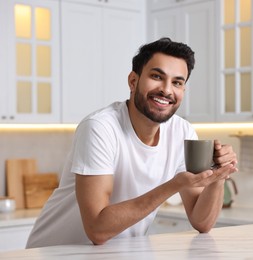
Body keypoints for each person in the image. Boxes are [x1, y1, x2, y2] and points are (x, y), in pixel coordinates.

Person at [26, 38, 238, 248]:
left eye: (177, 82)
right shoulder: (100, 128)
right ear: (133, 81)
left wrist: (218, 176)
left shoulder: (182, 131)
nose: (166, 90)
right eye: (157, 76)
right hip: (55, 252)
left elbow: (202, 222)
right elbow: (97, 229)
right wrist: (174, 185)